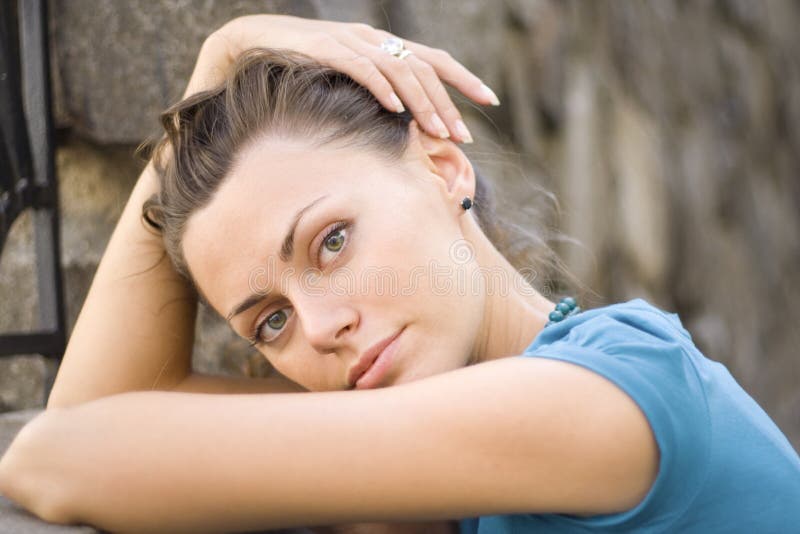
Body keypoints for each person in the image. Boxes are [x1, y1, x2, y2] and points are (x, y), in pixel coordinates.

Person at [1, 14, 799, 534]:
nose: (318, 328)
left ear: (446, 167)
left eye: (332, 242)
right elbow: (90, 421)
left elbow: (57, 455)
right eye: (268, 321)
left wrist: (229, 56)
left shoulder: (614, 392)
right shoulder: (440, 474)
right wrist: (217, 58)